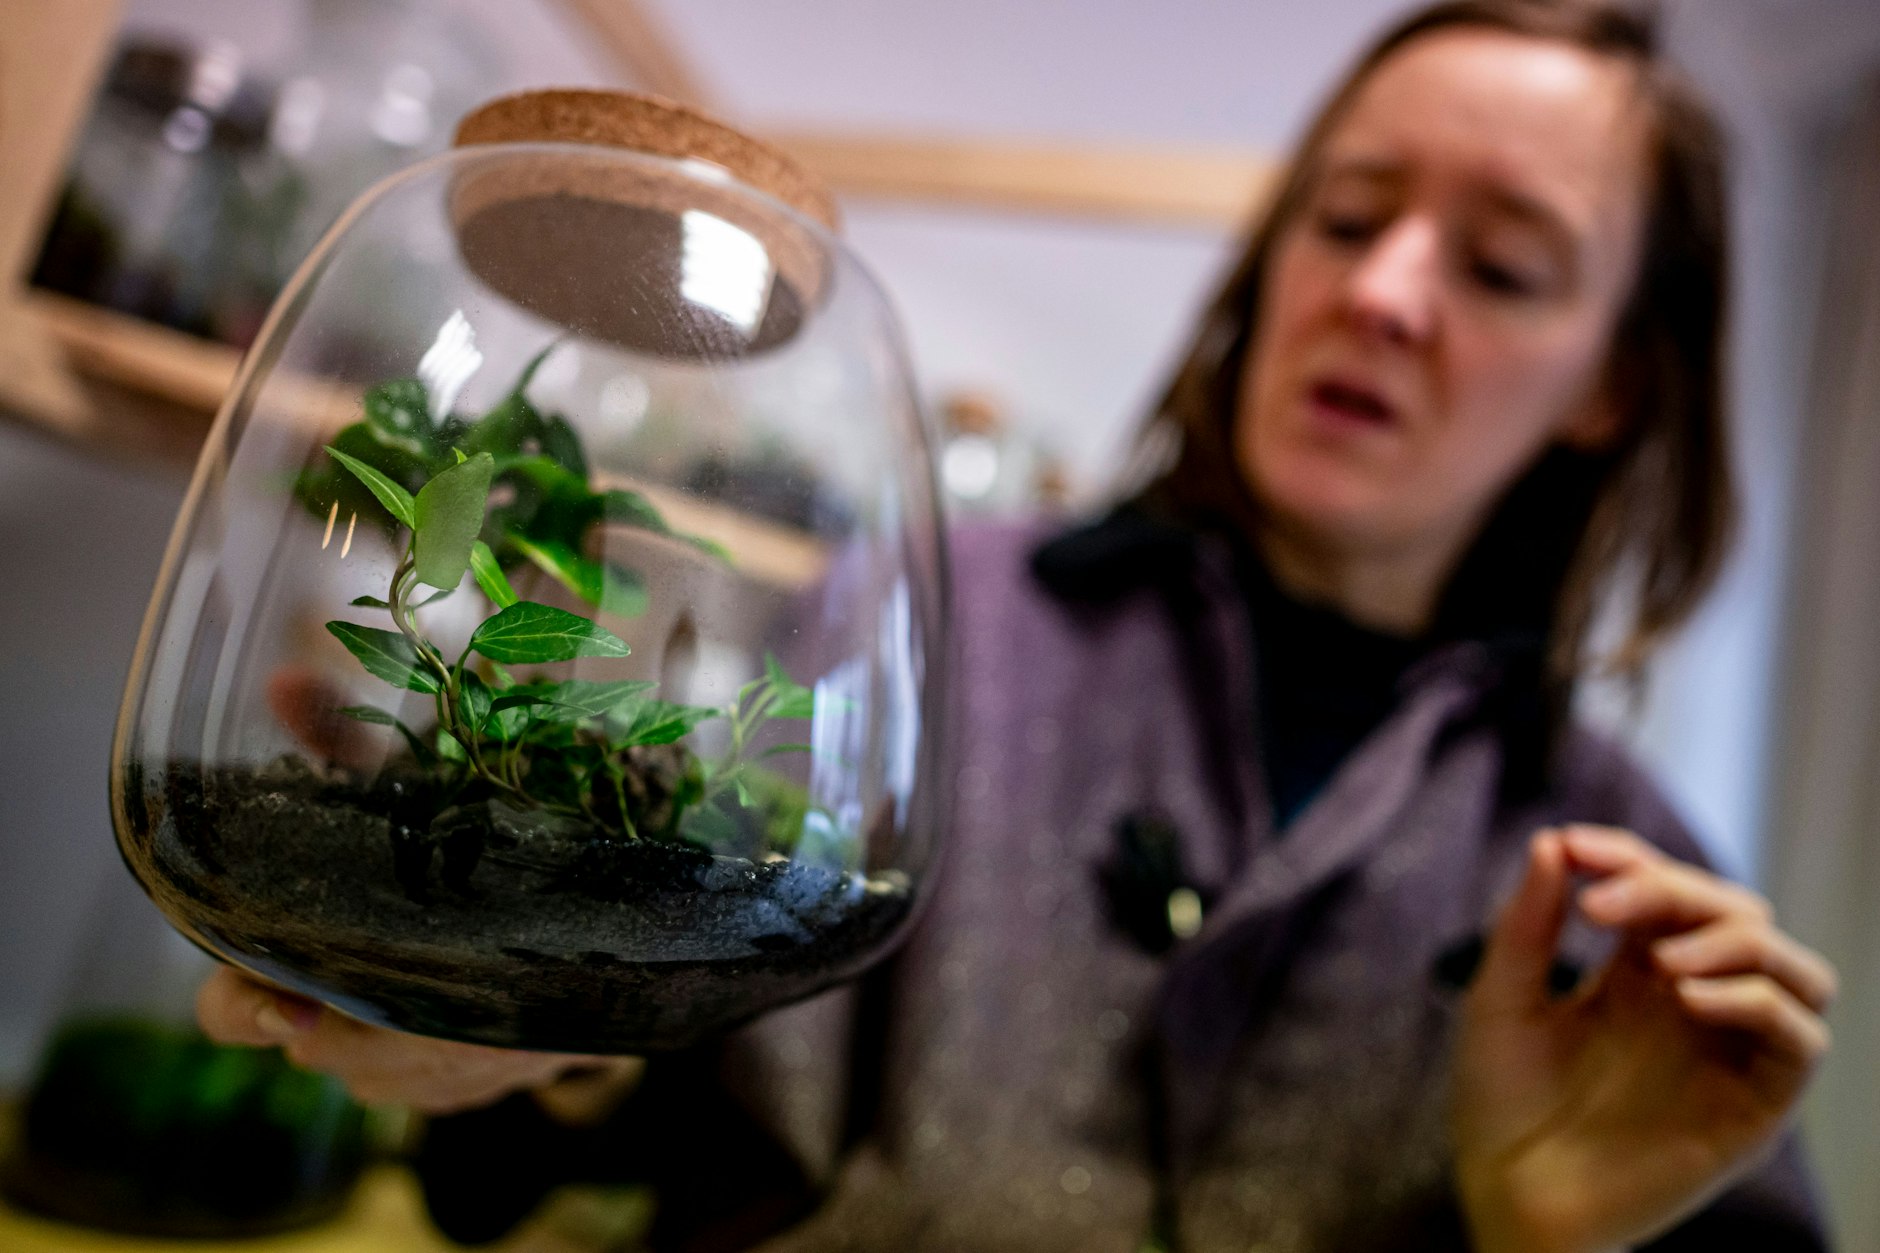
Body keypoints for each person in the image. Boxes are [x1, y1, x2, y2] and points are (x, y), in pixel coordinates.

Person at [198, 1, 1840, 1248]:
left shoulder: (1630, 885)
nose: (1386, 291)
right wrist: (533, 1038)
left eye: (1502, 264)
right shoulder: (930, 619)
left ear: (1616, 383)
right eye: (1346, 219)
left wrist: (1537, 1235)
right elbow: (630, 1117)